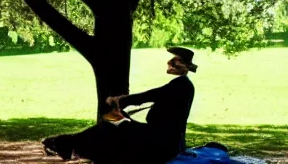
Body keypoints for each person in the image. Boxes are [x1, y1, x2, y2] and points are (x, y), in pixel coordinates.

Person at [42, 46, 197, 164]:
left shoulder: (180, 86)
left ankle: (66, 143)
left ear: (184, 66)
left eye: (176, 60)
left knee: (111, 123)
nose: (170, 63)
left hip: (159, 141)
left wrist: (120, 100)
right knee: (112, 121)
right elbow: (155, 98)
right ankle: (67, 144)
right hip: (158, 137)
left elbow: (149, 95)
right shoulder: (181, 86)